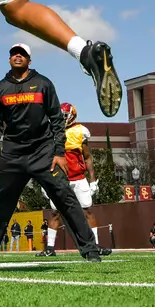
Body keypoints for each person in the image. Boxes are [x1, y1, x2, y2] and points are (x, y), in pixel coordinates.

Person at [0, 43, 103, 264]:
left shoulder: (43, 84)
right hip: (12, 155)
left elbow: (57, 120)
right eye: (13, 54)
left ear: (30, 61)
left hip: (44, 153)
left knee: (65, 198)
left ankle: (90, 250)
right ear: (9, 60)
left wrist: (59, 152)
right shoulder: (0, 88)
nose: (17, 57)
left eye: (23, 54)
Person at [46, 102, 104, 256]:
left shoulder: (80, 131)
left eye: (65, 115)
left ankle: (95, 245)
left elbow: (87, 157)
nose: (62, 118)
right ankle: (50, 248)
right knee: (55, 212)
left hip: (78, 178)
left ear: (72, 116)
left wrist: (92, 180)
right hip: (60, 179)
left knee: (87, 211)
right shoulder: (52, 131)